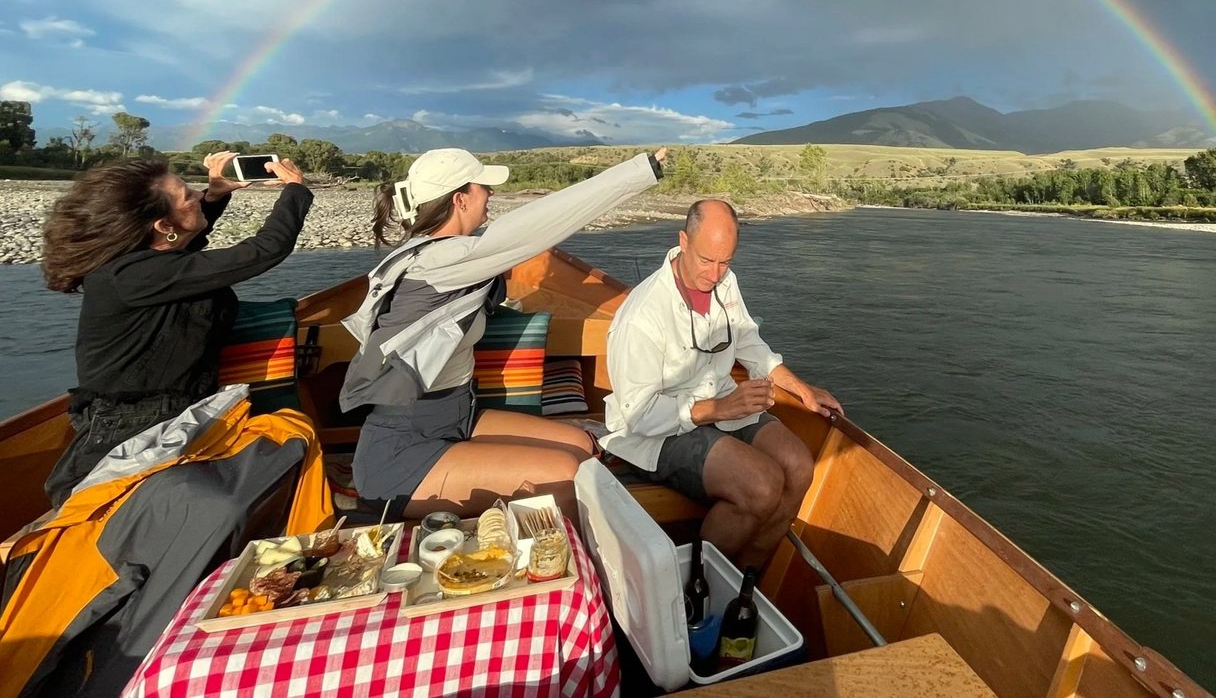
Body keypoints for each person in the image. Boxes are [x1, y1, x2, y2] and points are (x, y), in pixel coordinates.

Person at [343, 146, 667, 520]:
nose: (491, 194)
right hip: (404, 448)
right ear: (460, 199)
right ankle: (573, 574)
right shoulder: (443, 258)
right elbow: (540, 223)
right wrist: (641, 171)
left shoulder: (448, 257)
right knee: (567, 473)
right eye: (483, 187)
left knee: (582, 443)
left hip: (457, 416)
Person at [40, 150, 312, 507]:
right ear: (163, 226)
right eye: (189, 196)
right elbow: (263, 251)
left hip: (176, 408)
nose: (196, 194)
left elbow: (183, 249)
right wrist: (295, 189)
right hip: (131, 423)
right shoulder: (131, 276)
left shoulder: (147, 263)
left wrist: (215, 195)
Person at [601, 199, 842, 570]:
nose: (714, 275)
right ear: (683, 241)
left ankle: (746, 584)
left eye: (725, 262)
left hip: (719, 404)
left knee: (798, 467)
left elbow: (747, 341)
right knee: (760, 486)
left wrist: (802, 389)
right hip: (658, 432)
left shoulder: (725, 283)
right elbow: (639, 416)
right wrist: (719, 409)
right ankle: (694, 589)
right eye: (705, 260)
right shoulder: (642, 316)